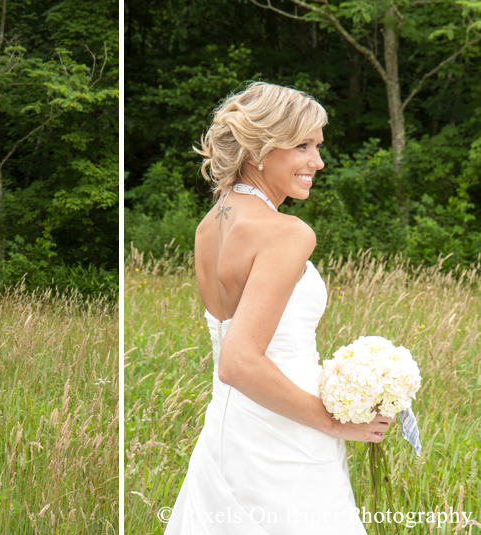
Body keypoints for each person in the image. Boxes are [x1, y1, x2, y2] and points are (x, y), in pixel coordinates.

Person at [164, 82, 394, 534]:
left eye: (318, 146)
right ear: (260, 149)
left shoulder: (210, 225)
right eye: (303, 146)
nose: (318, 161)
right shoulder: (286, 232)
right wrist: (336, 423)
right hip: (285, 440)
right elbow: (238, 361)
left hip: (229, 432)